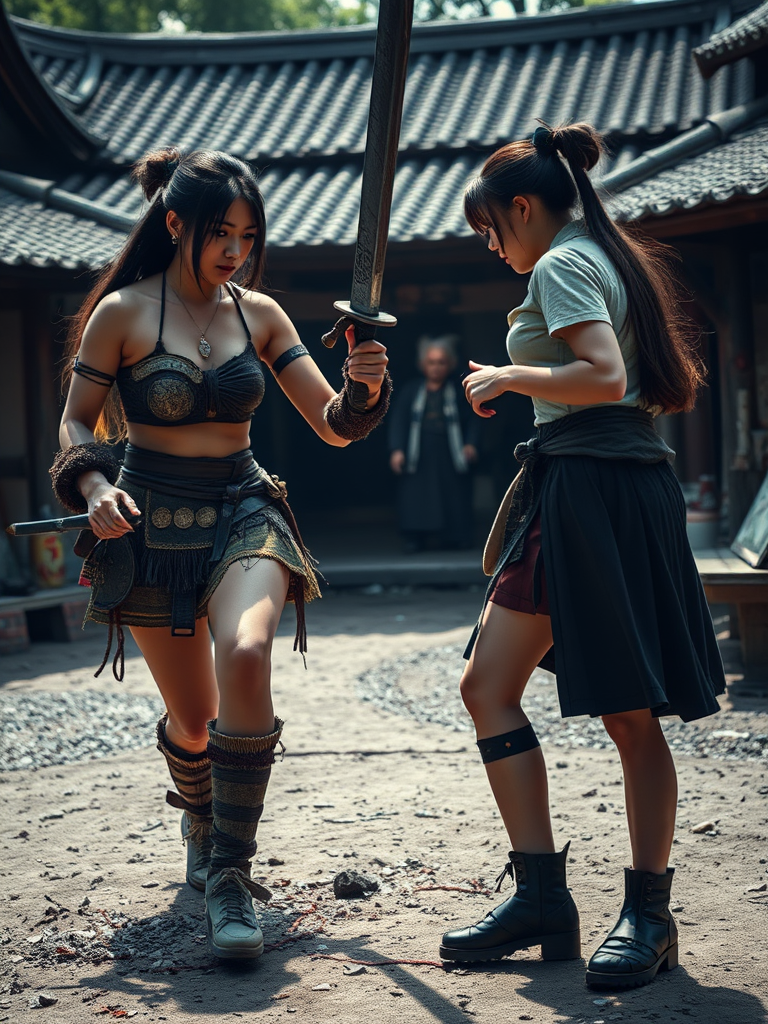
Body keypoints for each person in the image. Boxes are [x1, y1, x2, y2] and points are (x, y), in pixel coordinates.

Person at [51, 147, 390, 961]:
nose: (235, 249)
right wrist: (94, 489)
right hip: (149, 527)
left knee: (246, 651)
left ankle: (230, 878)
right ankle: (200, 819)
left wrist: (366, 386)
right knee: (196, 723)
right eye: (219, 233)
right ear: (175, 224)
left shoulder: (262, 314)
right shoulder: (123, 313)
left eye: (247, 233)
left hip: (245, 504)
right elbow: (74, 423)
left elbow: (334, 423)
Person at [438, 122, 726, 991]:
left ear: (522, 207)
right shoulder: (606, 250)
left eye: (492, 230)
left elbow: (600, 375)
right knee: (488, 686)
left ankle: (648, 910)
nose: (494, 248)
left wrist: (506, 376)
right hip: (589, 486)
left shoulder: (564, 261)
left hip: (597, 489)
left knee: (628, 714)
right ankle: (540, 899)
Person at [388, 336, 479, 552]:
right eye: (431, 362)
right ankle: (416, 538)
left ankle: (456, 536)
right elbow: (398, 421)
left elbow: (474, 419)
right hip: (418, 452)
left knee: (454, 494)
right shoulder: (411, 390)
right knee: (416, 495)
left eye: (441, 362)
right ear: (422, 364)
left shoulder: (459, 391)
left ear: (450, 364)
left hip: (450, 451)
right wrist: (397, 449)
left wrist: (471, 444)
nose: (436, 368)